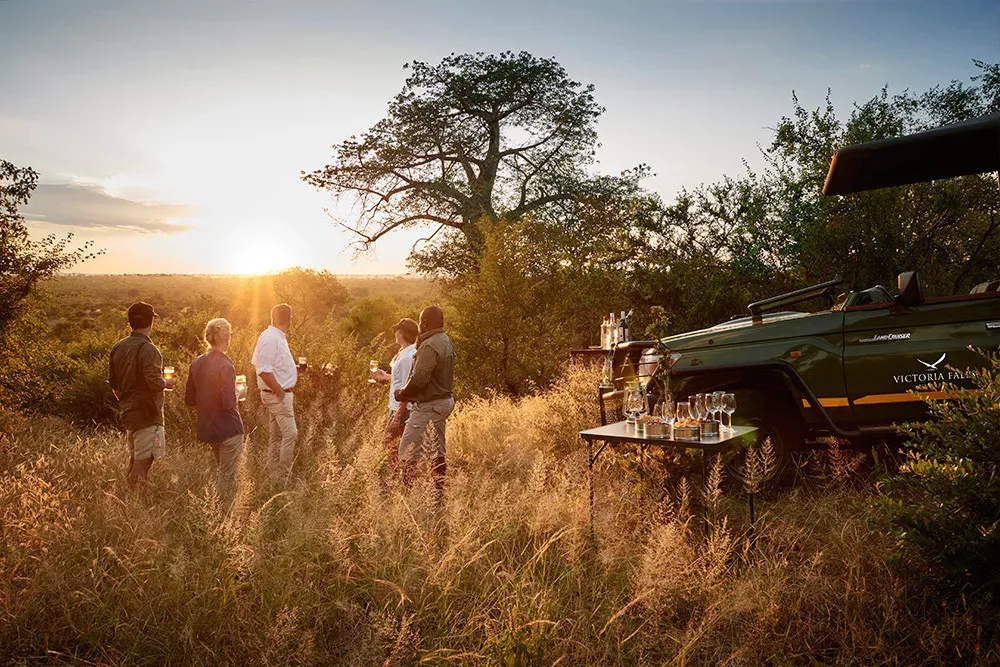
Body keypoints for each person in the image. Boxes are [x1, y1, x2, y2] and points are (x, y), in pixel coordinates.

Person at [108, 301, 174, 488]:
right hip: (147, 415)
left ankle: (129, 499)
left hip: (129, 413)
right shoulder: (149, 349)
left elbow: (114, 385)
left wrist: (127, 403)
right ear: (151, 322)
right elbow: (154, 383)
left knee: (134, 461)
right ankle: (138, 506)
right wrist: (167, 383)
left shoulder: (118, 347)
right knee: (143, 464)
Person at [394, 306, 456, 503]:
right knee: (437, 449)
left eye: (421, 322)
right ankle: (437, 494)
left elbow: (420, 379)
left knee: (407, 450)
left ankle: (408, 497)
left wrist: (402, 393)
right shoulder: (445, 341)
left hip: (429, 404)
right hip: (443, 402)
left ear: (426, 323)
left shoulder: (430, 345)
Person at [184, 318, 244, 504]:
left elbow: (189, 399)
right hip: (229, 429)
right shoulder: (226, 365)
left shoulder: (197, 363)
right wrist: (238, 392)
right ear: (227, 338)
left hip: (209, 428)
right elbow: (228, 403)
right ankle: (223, 514)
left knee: (222, 470)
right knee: (226, 475)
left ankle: (219, 511)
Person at [251, 303, 299, 485]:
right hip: (277, 395)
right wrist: (279, 392)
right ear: (290, 320)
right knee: (291, 434)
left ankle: (273, 476)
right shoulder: (271, 338)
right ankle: (283, 478)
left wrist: (293, 371)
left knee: (277, 435)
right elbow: (262, 369)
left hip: (277, 393)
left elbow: (270, 365)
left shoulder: (275, 337)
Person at [370, 318, 419, 471]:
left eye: (397, 330)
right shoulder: (405, 352)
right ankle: (400, 478)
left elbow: (408, 388)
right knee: (396, 446)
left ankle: (398, 478)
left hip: (402, 409)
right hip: (398, 406)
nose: (395, 333)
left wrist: (398, 414)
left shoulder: (407, 357)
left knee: (392, 446)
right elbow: (403, 380)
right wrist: (386, 377)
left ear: (403, 333)